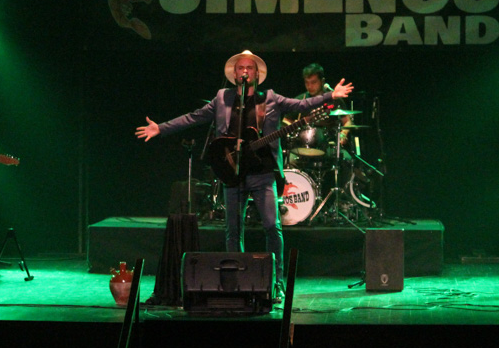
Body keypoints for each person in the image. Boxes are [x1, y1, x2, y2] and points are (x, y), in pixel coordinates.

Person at [136, 50, 354, 301]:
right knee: (233, 229)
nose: (245, 71)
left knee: (272, 227)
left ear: (257, 74)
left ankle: (276, 282)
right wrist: (161, 128)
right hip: (232, 173)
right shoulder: (222, 98)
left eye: (250, 68)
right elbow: (192, 118)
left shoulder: (270, 98)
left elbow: (302, 105)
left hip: (263, 174)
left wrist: (331, 95)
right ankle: (236, 279)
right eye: (240, 68)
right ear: (234, 74)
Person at [285, 63, 355, 165]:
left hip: (329, 145)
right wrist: (292, 128)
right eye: (307, 83)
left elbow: (348, 121)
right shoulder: (300, 100)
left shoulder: (334, 99)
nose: (309, 86)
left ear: (322, 81)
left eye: (313, 82)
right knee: (290, 161)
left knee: (347, 160)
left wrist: (343, 134)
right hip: (303, 146)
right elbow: (286, 121)